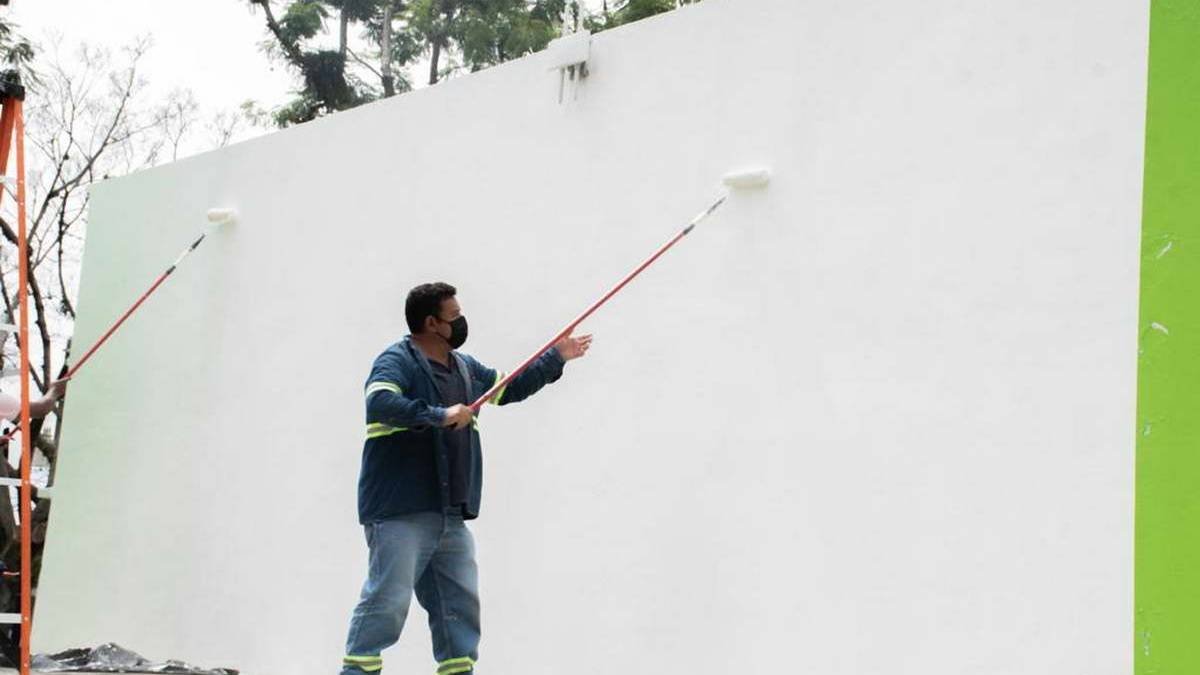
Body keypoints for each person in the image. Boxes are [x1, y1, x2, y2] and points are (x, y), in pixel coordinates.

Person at [339, 282, 592, 675]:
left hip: (450, 513)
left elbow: (510, 388)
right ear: (431, 323)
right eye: (454, 316)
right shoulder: (396, 361)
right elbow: (381, 402)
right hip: (401, 510)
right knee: (387, 602)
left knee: (458, 608)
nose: (461, 321)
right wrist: (440, 415)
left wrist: (555, 357)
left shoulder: (465, 367)